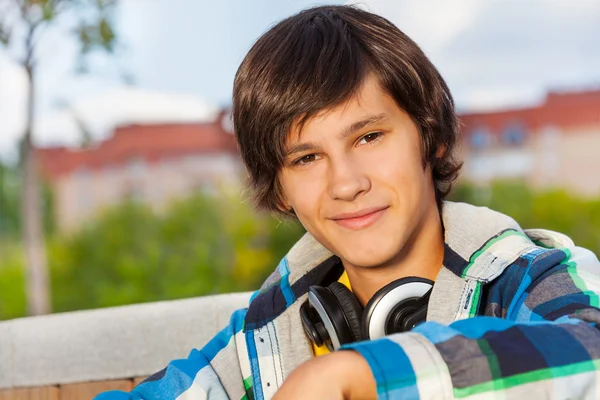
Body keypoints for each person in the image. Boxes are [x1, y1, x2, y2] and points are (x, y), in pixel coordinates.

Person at [97, 5, 600, 400]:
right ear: (279, 190)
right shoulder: (269, 330)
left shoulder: (528, 277)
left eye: (369, 137)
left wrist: (361, 373)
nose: (346, 183)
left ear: (431, 137)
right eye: (306, 158)